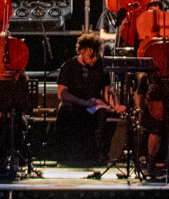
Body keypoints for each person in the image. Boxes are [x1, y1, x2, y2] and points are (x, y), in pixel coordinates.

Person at [53, 35, 124, 167]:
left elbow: (107, 90)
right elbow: (62, 93)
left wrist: (116, 105)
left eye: (97, 56)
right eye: (91, 56)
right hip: (75, 103)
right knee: (68, 112)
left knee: (108, 115)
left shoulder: (100, 65)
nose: (94, 59)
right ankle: (71, 156)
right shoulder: (69, 66)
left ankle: (99, 154)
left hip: (94, 104)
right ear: (82, 52)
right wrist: (83, 102)